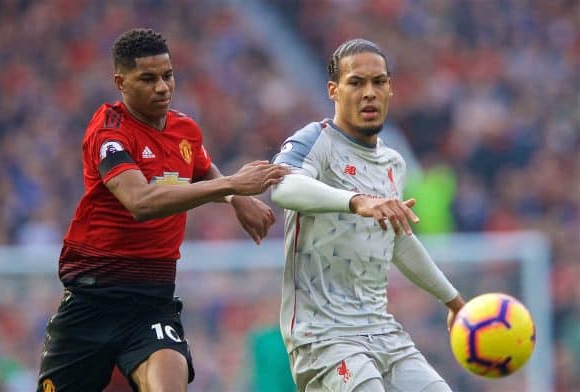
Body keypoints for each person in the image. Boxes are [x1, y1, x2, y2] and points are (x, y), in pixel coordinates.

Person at [37, 28, 288, 392]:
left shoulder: (184, 129)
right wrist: (233, 185)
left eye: (167, 76)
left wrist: (237, 200)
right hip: (90, 304)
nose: (162, 87)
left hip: (151, 303)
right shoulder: (109, 132)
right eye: (148, 79)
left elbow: (200, 169)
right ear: (121, 83)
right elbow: (140, 202)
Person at [271, 38, 465, 392]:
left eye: (379, 82)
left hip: (381, 329)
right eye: (356, 82)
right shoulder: (316, 141)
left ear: (390, 88)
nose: (369, 93)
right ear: (334, 90)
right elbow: (283, 188)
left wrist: (452, 300)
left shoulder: (393, 163)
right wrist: (356, 200)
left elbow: (399, 242)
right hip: (324, 335)